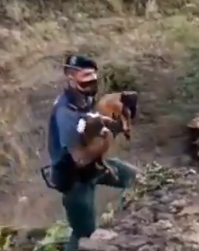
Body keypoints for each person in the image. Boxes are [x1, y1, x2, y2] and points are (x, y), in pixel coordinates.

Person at [47, 54, 137, 251]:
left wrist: (112, 120)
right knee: (83, 236)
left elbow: (91, 122)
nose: (92, 79)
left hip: (94, 168)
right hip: (74, 179)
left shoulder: (84, 98)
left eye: (93, 74)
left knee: (137, 180)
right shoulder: (65, 112)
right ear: (71, 78)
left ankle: (128, 226)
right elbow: (80, 158)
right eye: (85, 75)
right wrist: (108, 136)